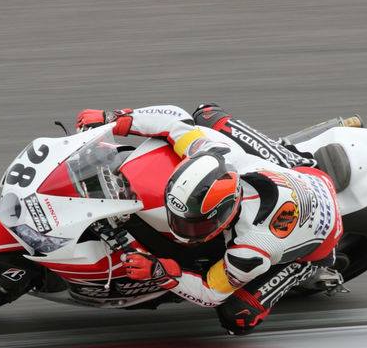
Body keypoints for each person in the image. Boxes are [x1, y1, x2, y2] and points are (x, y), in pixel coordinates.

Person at [76, 104, 344, 335]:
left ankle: (310, 270)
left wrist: (160, 272)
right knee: (206, 114)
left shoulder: (250, 250)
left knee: (237, 317)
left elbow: (210, 293)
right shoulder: (213, 151)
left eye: (194, 224)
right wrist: (115, 119)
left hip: (322, 237)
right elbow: (173, 121)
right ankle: (290, 153)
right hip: (301, 174)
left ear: (225, 214)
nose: (180, 228)